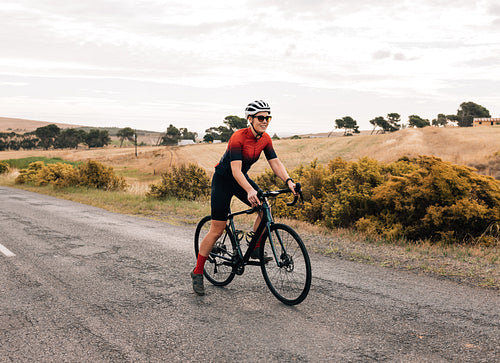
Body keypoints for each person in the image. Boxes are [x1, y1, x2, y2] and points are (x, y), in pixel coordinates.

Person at [191, 100, 297, 295]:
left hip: (241, 180)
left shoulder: (265, 139)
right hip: (224, 181)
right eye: (260, 118)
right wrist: (250, 190)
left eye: (268, 118)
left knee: (265, 208)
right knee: (217, 229)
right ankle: (197, 272)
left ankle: (255, 246)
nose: (265, 121)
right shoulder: (238, 138)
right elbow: (235, 170)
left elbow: (275, 162)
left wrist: (289, 181)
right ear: (250, 119)